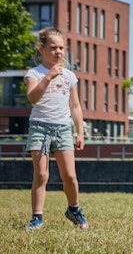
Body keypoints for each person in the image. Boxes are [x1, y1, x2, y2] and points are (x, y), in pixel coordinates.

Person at [24, 27, 89, 230]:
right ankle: (37, 217)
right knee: (42, 174)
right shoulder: (34, 73)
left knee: (69, 175)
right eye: (53, 48)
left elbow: (75, 106)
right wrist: (48, 77)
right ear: (42, 49)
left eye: (61, 48)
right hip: (40, 127)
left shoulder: (69, 76)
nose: (58, 52)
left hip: (62, 128)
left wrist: (79, 131)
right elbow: (33, 98)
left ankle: (74, 209)